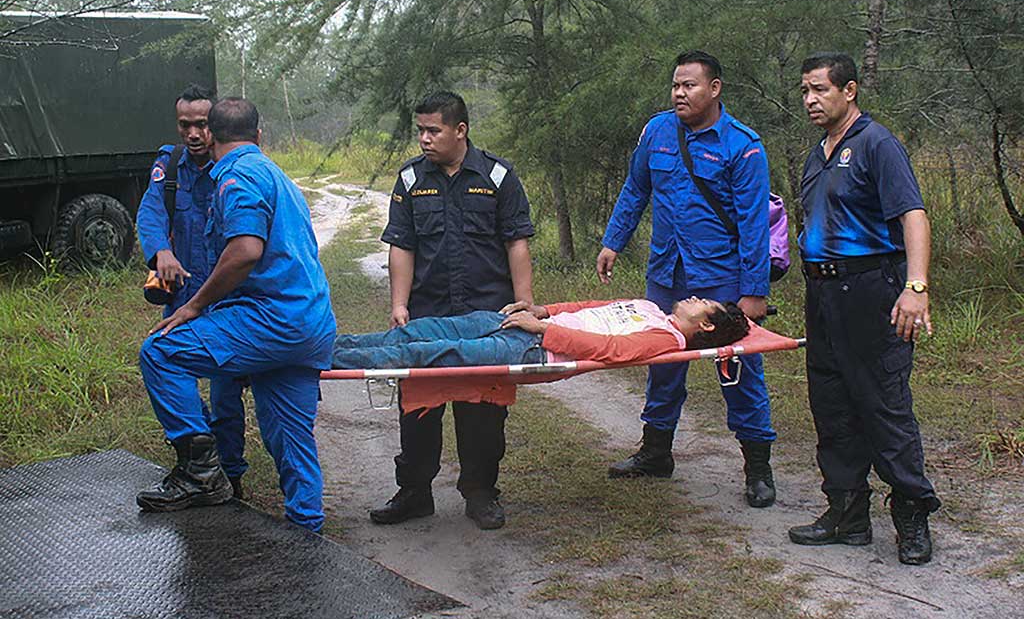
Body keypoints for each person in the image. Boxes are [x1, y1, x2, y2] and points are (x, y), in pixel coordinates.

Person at [136, 98, 336, 533]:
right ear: (259, 136)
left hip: (271, 320)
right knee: (290, 436)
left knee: (159, 352)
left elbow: (245, 250)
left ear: (211, 136)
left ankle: (201, 473)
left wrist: (194, 305)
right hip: (310, 323)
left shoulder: (236, 176)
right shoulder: (277, 175)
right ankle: (307, 530)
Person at [597, 50, 777, 508]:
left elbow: (754, 225)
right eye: (676, 85)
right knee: (662, 360)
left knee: (738, 370)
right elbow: (636, 189)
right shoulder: (657, 132)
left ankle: (758, 469)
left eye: (689, 85)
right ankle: (656, 452)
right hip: (667, 272)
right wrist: (613, 241)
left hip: (721, 277)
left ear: (714, 89)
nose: (679, 93)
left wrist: (754, 291)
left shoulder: (743, 146)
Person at [788, 52, 940, 565]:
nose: (810, 100)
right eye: (805, 92)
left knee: (883, 405)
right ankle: (848, 514)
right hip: (822, 295)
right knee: (831, 404)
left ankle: (912, 515)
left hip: (872, 290)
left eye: (820, 90)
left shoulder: (877, 143)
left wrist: (916, 286)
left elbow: (912, 214)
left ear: (849, 90)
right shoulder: (817, 155)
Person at [373, 90, 535, 530]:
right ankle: (414, 493)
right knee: (419, 407)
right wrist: (399, 304)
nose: (424, 139)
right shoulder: (410, 179)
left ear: (460, 130)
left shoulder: (498, 176)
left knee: (483, 408)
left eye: (434, 130)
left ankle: (480, 492)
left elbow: (516, 241)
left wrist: (525, 303)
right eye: (420, 131)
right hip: (428, 314)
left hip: (487, 316)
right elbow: (401, 246)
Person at [135, 84, 248, 499]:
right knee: (168, 365)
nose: (194, 133)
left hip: (225, 296)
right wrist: (160, 251)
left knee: (225, 391)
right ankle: (201, 462)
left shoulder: (234, 169)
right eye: (185, 124)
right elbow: (150, 213)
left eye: (202, 124)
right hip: (183, 295)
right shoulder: (170, 165)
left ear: (215, 123)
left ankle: (231, 474)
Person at [333, 297, 750, 370]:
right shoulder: (649, 308)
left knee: (427, 353)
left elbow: (609, 350)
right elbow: (590, 308)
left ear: (706, 325)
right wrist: (543, 310)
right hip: (529, 324)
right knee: (422, 330)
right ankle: (328, 346)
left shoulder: (667, 339)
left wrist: (543, 328)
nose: (694, 297)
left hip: (533, 346)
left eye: (703, 303)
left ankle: (321, 359)